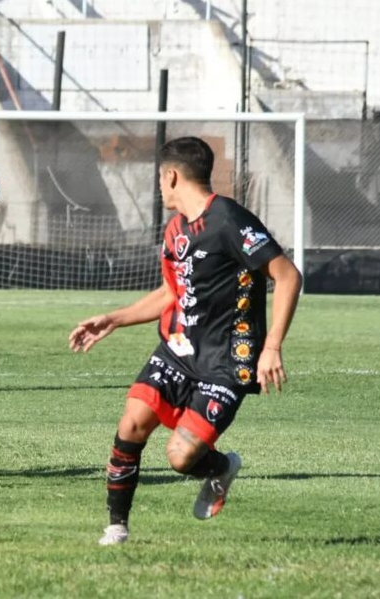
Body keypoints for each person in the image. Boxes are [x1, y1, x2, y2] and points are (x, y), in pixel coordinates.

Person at [68, 136, 303, 545]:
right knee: (132, 424)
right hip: (178, 350)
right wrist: (113, 320)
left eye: (160, 179)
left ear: (171, 176)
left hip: (228, 361)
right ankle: (117, 528)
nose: (160, 187)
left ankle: (221, 468)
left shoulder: (229, 220)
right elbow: (170, 294)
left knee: (180, 457)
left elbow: (288, 275)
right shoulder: (175, 229)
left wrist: (272, 347)